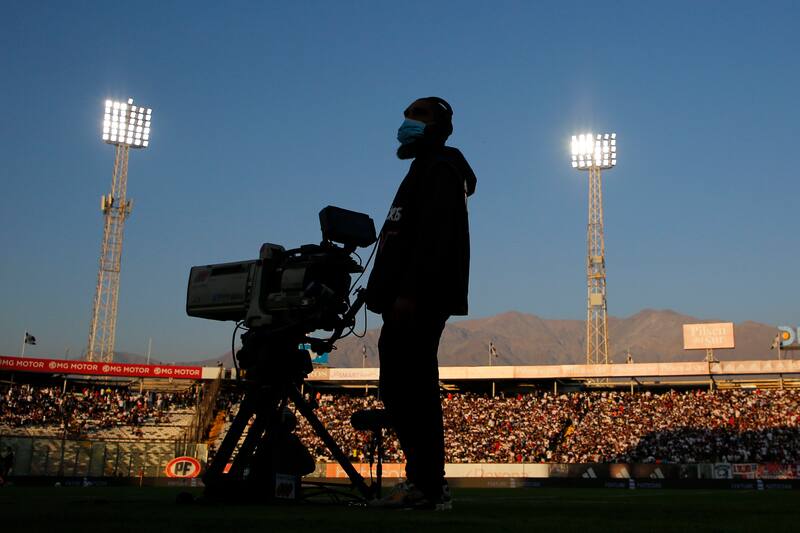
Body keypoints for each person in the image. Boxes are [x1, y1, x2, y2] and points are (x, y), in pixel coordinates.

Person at [366, 96, 477, 509]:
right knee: (403, 389)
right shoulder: (423, 168)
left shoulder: (440, 169)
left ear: (439, 127)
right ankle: (425, 483)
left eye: (418, 115)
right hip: (407, 298)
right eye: (406, 115)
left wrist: (410, 293)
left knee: (411, 390)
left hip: (419, 299)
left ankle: (427, 486)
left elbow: (434, 239)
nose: (407, 122)